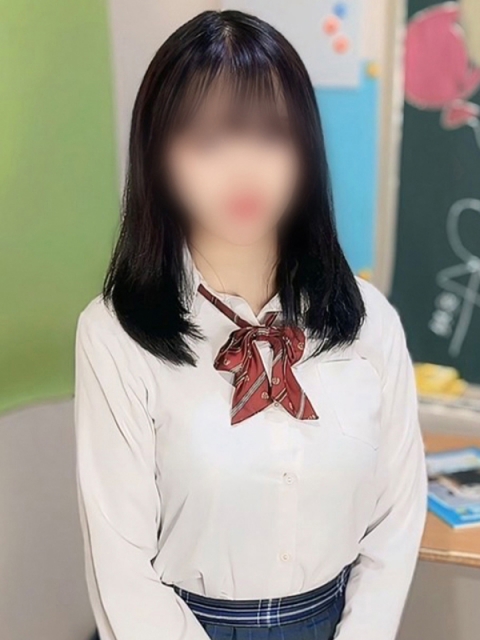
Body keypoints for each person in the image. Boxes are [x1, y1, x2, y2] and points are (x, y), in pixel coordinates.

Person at [75, 10, 427, 640]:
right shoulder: (114, 333)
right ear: (159, 158)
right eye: (207, 140)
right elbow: (121, 565)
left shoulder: (370, 321)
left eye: (270, 135)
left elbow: (395, 521)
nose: (243, 169)